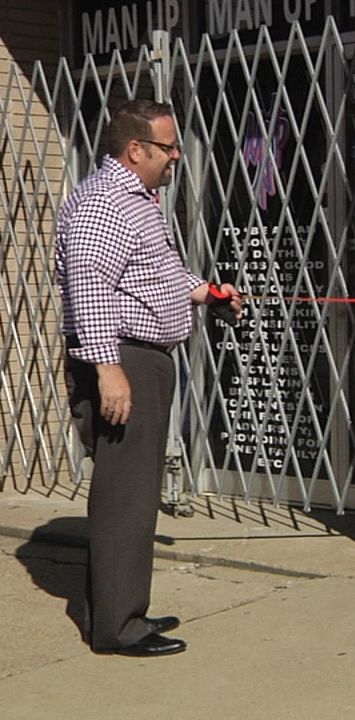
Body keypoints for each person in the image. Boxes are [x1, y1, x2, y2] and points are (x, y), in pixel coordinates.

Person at [56, 99, 242, 655]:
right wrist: (109, 370)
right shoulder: (104, 202)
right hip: (124, 359)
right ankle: (118, 628)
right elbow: (88, 288)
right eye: (168, 147)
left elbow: (157, 271)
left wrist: (204, 292)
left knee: (133, 492)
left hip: (140, 357)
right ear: (135, 149)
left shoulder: (137, 201)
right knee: (126, 496)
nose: (176, 157)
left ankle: (117, 609)